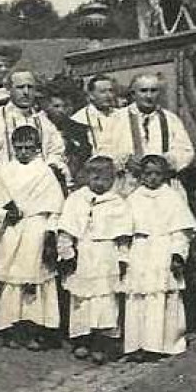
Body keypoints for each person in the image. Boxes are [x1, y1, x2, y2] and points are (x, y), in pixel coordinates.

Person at [0, 125, 65, 349]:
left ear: (37, 148)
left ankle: (36, 328)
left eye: (29, 148)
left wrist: (50, 232)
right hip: (14, 229)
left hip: (36, 227)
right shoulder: (5, 170)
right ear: (13, 148)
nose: (24, 152)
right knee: (13, 278)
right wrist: (6, 212)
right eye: (19, 148)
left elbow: (56, 206)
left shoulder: (44, 172)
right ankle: (12, 328)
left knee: (36, 278)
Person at [56, 155, 131, 364]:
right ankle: (82, 339)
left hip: (106, 256)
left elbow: (123, 236)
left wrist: (123, 258)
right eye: (94, 178)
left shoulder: (117, 202)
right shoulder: (77, 199)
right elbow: (66, 230)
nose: (99, 183)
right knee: (82, 299)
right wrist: (67, 253)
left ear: (113, 179)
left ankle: (102, 341)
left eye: (105, 179)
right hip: (84, 254)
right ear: (87, 177)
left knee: (105, 299)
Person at [122, 154, 196, 360]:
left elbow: (181, 231)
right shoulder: (133, 198)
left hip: (163, 249)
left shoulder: (172, 197)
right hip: (140, 250)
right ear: (141, 175)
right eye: (148, 174)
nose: (153, 178)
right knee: (138, 296)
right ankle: (137, 345)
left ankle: (161, 344)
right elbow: (124, 229)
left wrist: (178, 255)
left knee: (161, 296)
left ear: (164, 176)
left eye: (157, 174)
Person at [0, 70, 68, 184]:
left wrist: (50, 169)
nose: (26, 92)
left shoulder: (44, 122)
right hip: (6, 191)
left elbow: (57, 152)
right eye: (20, 87)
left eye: (30, 87)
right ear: (9, 89)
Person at [116, 73, 193, 195]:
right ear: (133, 94)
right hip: (128, 184)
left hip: (163, 184)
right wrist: (125, 161)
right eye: (143, 91)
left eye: (153, 91)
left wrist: (167, 162)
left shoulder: (170, 119)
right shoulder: (117, 119)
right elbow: (104, 150)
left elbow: (186, 151)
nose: (148, 96)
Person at [72, 75, 129, 164]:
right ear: (91, 95)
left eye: (111, 91)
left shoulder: (122, 115)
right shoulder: (79, 119)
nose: (109, 96)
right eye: (103, 92)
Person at [43, 85, 93, 179]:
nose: (61, 110)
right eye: (56, 106)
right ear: (47, 107)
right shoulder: (42, 126)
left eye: (64, 106)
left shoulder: (79, 129)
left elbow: (85, 153)